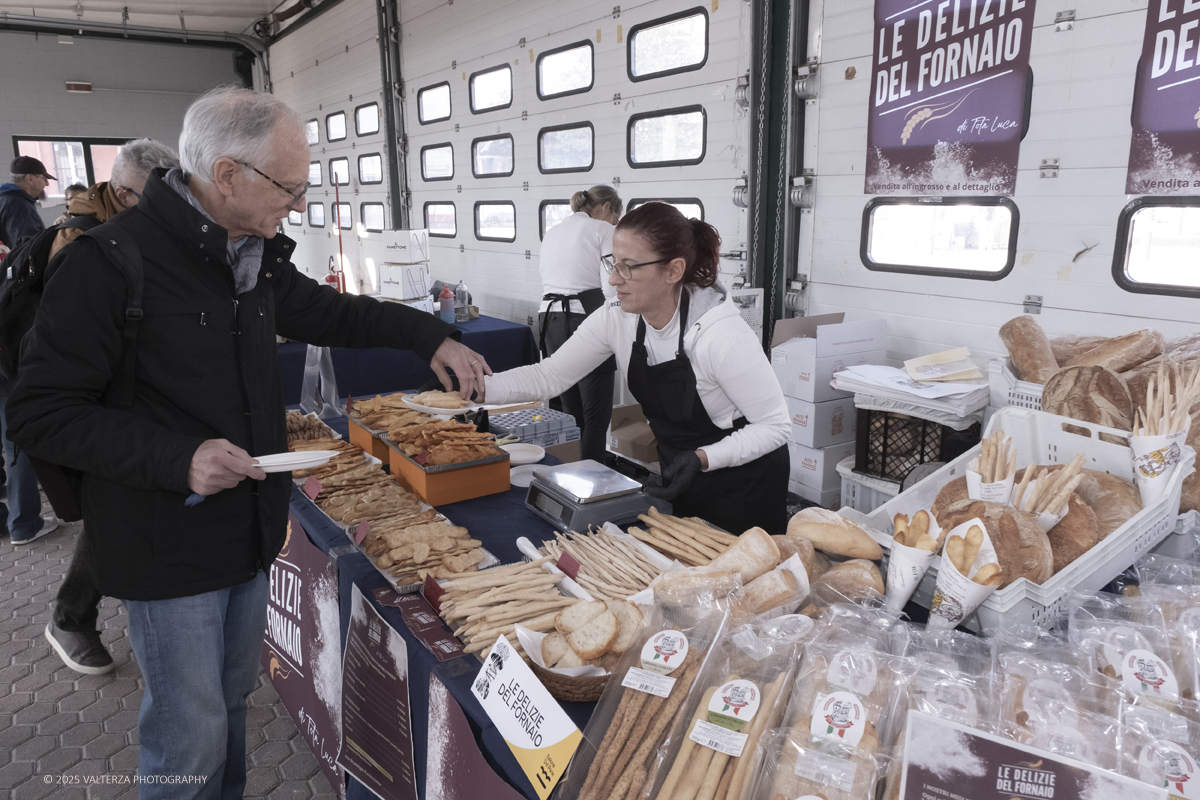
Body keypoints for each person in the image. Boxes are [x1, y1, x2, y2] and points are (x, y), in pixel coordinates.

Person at [8, 86, 490, 796]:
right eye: (288, 187)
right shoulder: (109, 263)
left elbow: (332, 312)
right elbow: (41, 412)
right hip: (162, 541)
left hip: (247, 530)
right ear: (227, 174)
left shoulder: (249, 254)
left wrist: (430, 334)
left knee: (229, 707)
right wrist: (179, 456)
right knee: (187, 734)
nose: (296, 206)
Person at [485, 202, 791, 535]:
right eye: (613, 264)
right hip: (681, 474)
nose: (614, 279)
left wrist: (702, 458)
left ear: (673, 270)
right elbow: (549, 376)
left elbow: (775, 426)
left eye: (629, 267)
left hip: (744, 484)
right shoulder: (618, 317)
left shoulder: (720, 334)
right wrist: (476, 388)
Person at [42, 138, 181, 676]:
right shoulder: (82, 244)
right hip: (94, 410)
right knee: (111, 516)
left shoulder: (139, 231)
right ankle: (71, 618)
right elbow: (61, 355)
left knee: (127, 512)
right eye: (157, 198)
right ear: (123, 193)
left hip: (131, 401)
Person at [538, 185, 621, 462]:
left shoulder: (552, 232)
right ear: (607, 208)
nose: (615, 225)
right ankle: (595, 486)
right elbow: (611, 288)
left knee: (572, 414)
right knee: (597, 416)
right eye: (616, 217)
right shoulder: (603, 230)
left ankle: (572, 476)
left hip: (549, 320)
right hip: (584, 319)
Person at [50, 138, 179, 260]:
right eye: (153, 200)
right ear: (123, 195)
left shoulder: (140, 213)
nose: (164, 208)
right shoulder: (76, 240)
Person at [0, 155, 55, 247]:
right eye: (44, 178)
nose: (47, 183)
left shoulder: (5, 199)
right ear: (30, 178)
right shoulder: (18, 204)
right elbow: (27, 248)